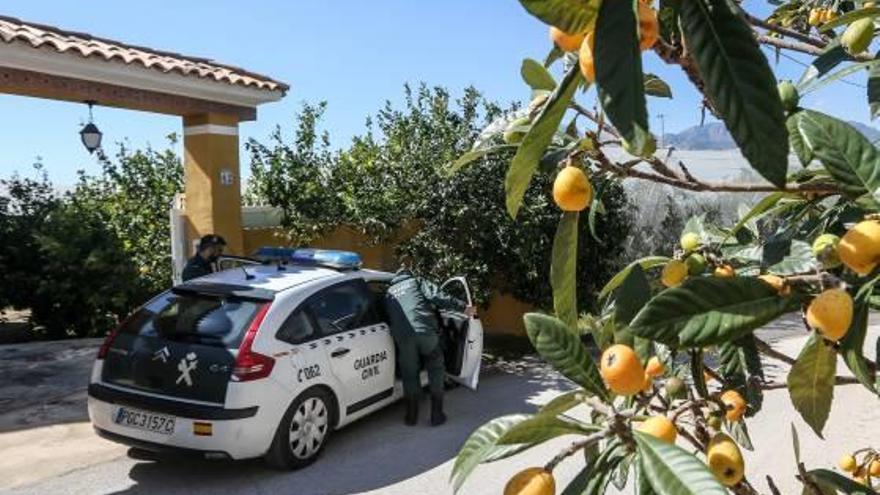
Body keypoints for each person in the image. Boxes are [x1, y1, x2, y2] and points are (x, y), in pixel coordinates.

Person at [384, 269, 475, 426]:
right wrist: (463, 307)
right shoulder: (416, 281)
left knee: (409, 374)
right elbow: (437, 296)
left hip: (402, 338)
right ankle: (436, 414)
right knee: (436, 366)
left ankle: (411, 416)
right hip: (424, 332)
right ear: (408, 274)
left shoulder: (388, 294)